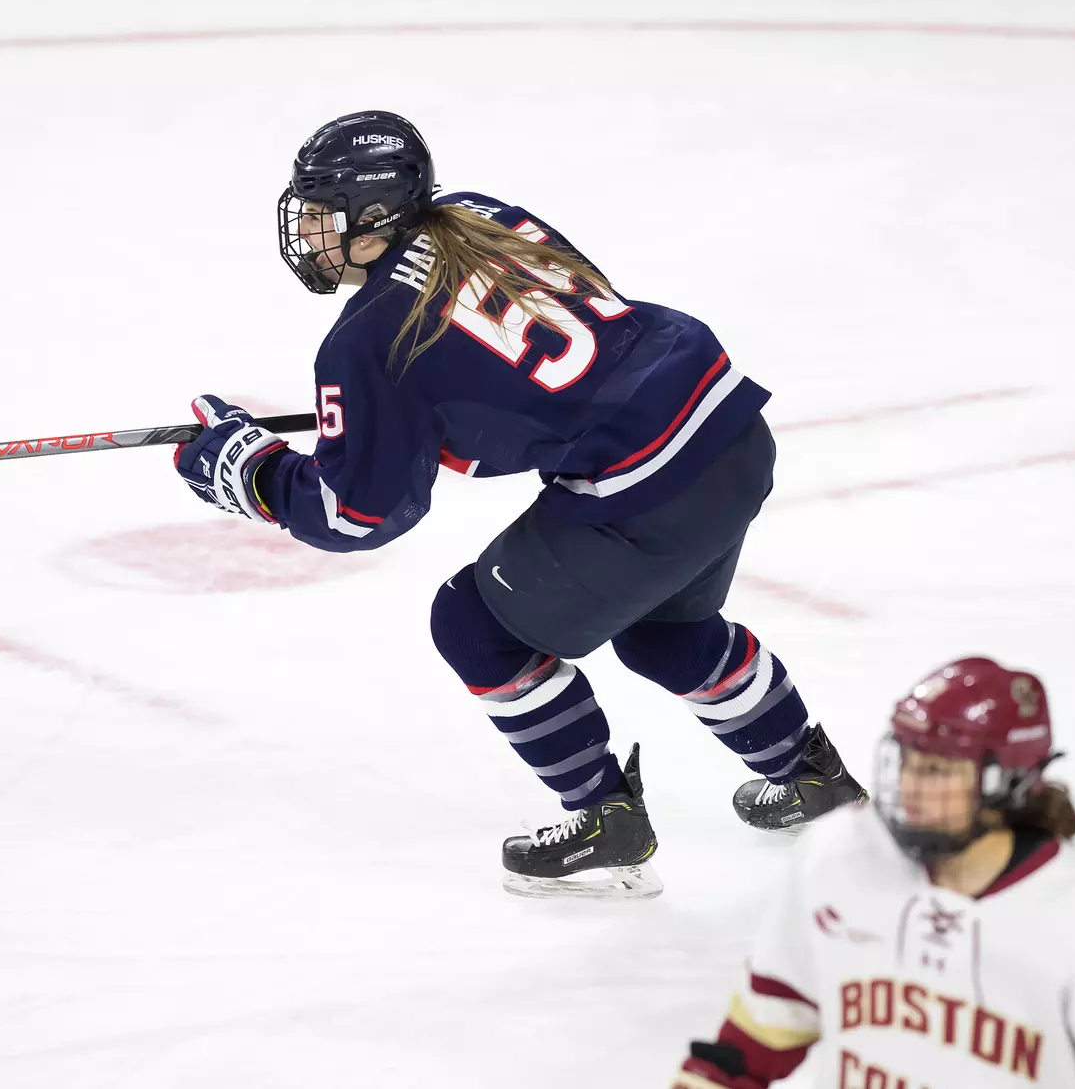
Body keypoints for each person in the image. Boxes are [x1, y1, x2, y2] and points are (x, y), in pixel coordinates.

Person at [173, 109, 865, 899]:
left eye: (323, 211)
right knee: (664, 633)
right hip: (727, 427)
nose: (309, 231)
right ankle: (812, 776)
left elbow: (355, 514)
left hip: (645, 482)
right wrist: (399, 411)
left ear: (372, 216)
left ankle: (605, 820)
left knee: (471, 624)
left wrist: (251, 473)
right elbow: (562, 331)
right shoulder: (480, 214)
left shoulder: (366, 340)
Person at [670, 657, 1075, 1088]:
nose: (910, 788)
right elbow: (760, 1034)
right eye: (907, 762)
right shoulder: (841, 855)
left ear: (1010, 784)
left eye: (937, 771)